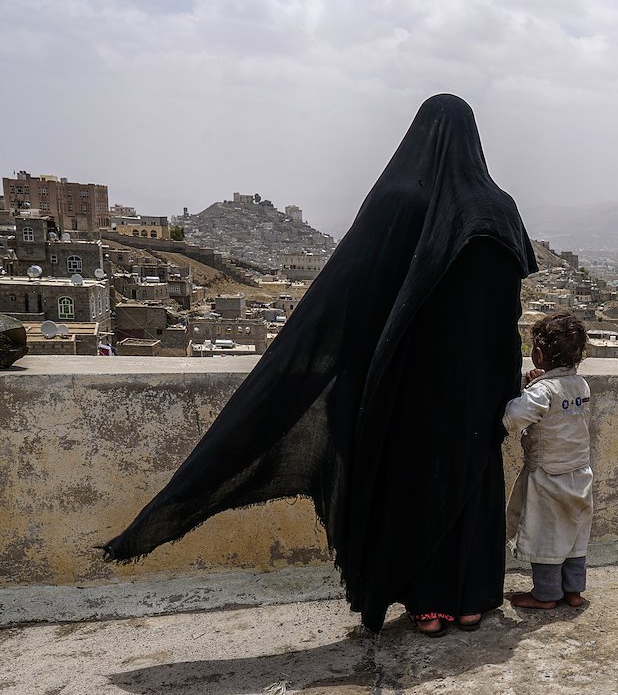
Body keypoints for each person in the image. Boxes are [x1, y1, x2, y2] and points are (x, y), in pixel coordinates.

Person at [101, 95, 536, 636]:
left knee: (411, 481)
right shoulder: (498, 207)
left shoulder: (399, 198)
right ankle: (471, 599)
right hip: (480, 384)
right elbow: (508, 303)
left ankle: (426, 606)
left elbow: (350, 291)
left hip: (409, 383)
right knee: (472, 480)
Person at [504, 312, 594, 610]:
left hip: (547, 475)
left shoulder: (542, 391)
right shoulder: (580, 386)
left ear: (539, 355)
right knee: (574, 533)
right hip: (579, 472)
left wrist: (526, 389)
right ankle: (573, 591)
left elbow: (513, 417)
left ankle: (545, 595)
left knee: (546, 534)